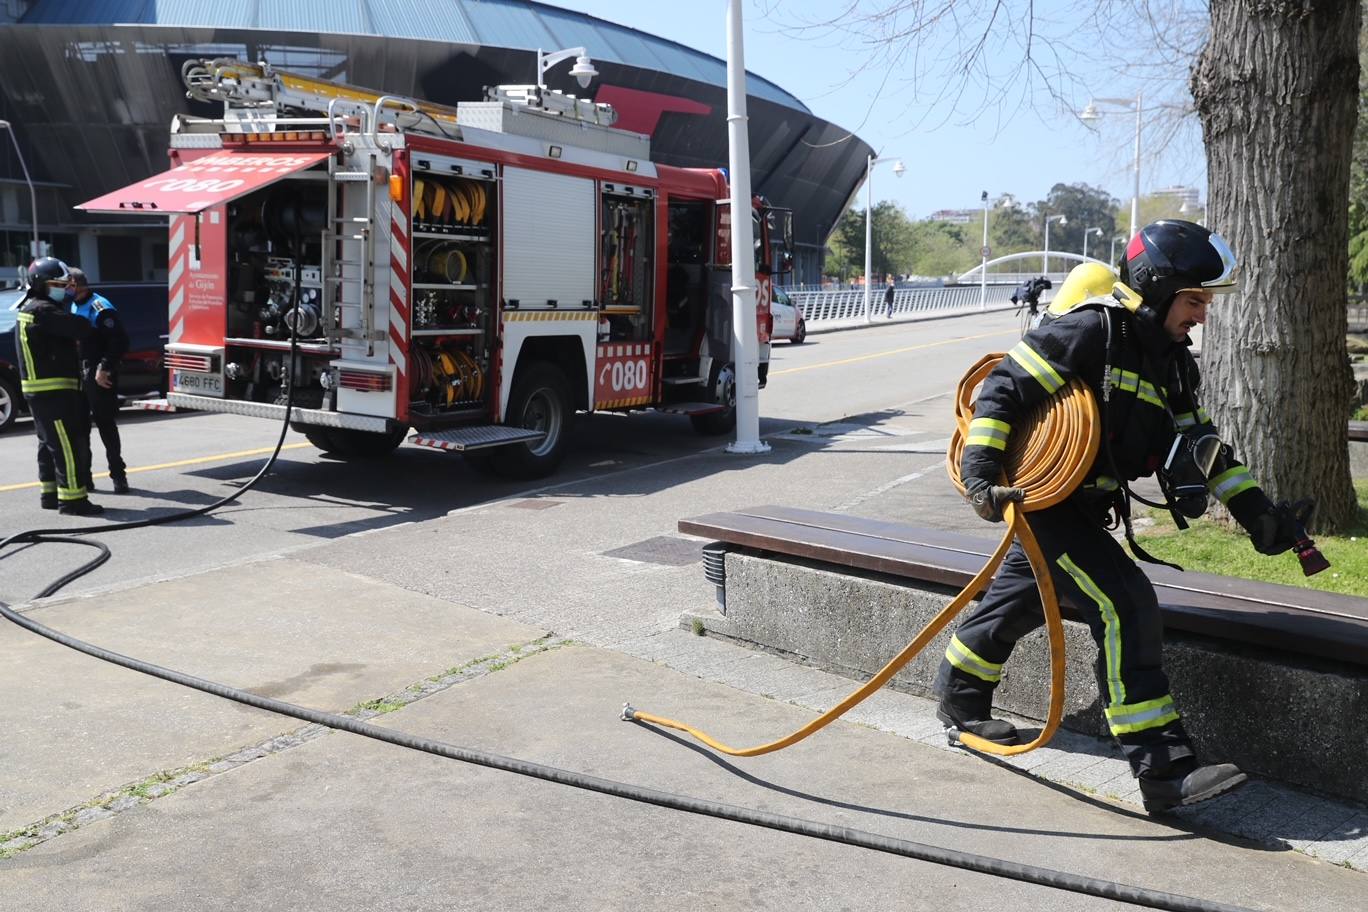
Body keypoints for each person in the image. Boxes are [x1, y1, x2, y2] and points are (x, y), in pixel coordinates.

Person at [937, 220, 1306, 814]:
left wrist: (1261, 518)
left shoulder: (1176, 366)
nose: (1201, 316)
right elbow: (1001, 388)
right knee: (1125, 603)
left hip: (1084, 506)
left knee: (1018, 602)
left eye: (1204, 303)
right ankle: (1162, 767)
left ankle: (959, 701)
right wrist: (981, 471)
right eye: (1193, 302)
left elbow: (1203, 446)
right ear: (1158, 290)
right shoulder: (1090, 333)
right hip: (1043, 502)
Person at [12, 257, 103, 516]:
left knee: (48, 443)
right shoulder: (43, 310)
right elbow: (81, 328)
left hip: (41, 391)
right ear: (41, 284)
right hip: (53, 392)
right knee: (66, 445)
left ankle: (50, 494)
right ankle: (73, 501)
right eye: (58, 284)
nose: (64, 288)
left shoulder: (31, 308)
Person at [69, 268, 130, 493]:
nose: (64, 288)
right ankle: (86, 478)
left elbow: (120, 341)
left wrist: (104, 368)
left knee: (105, 424)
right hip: (81, 373)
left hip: (99, 373)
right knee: (81, 428)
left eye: (67, 284)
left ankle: (118, 475)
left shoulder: (100, 307)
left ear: (75, 283)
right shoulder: (74, 304)